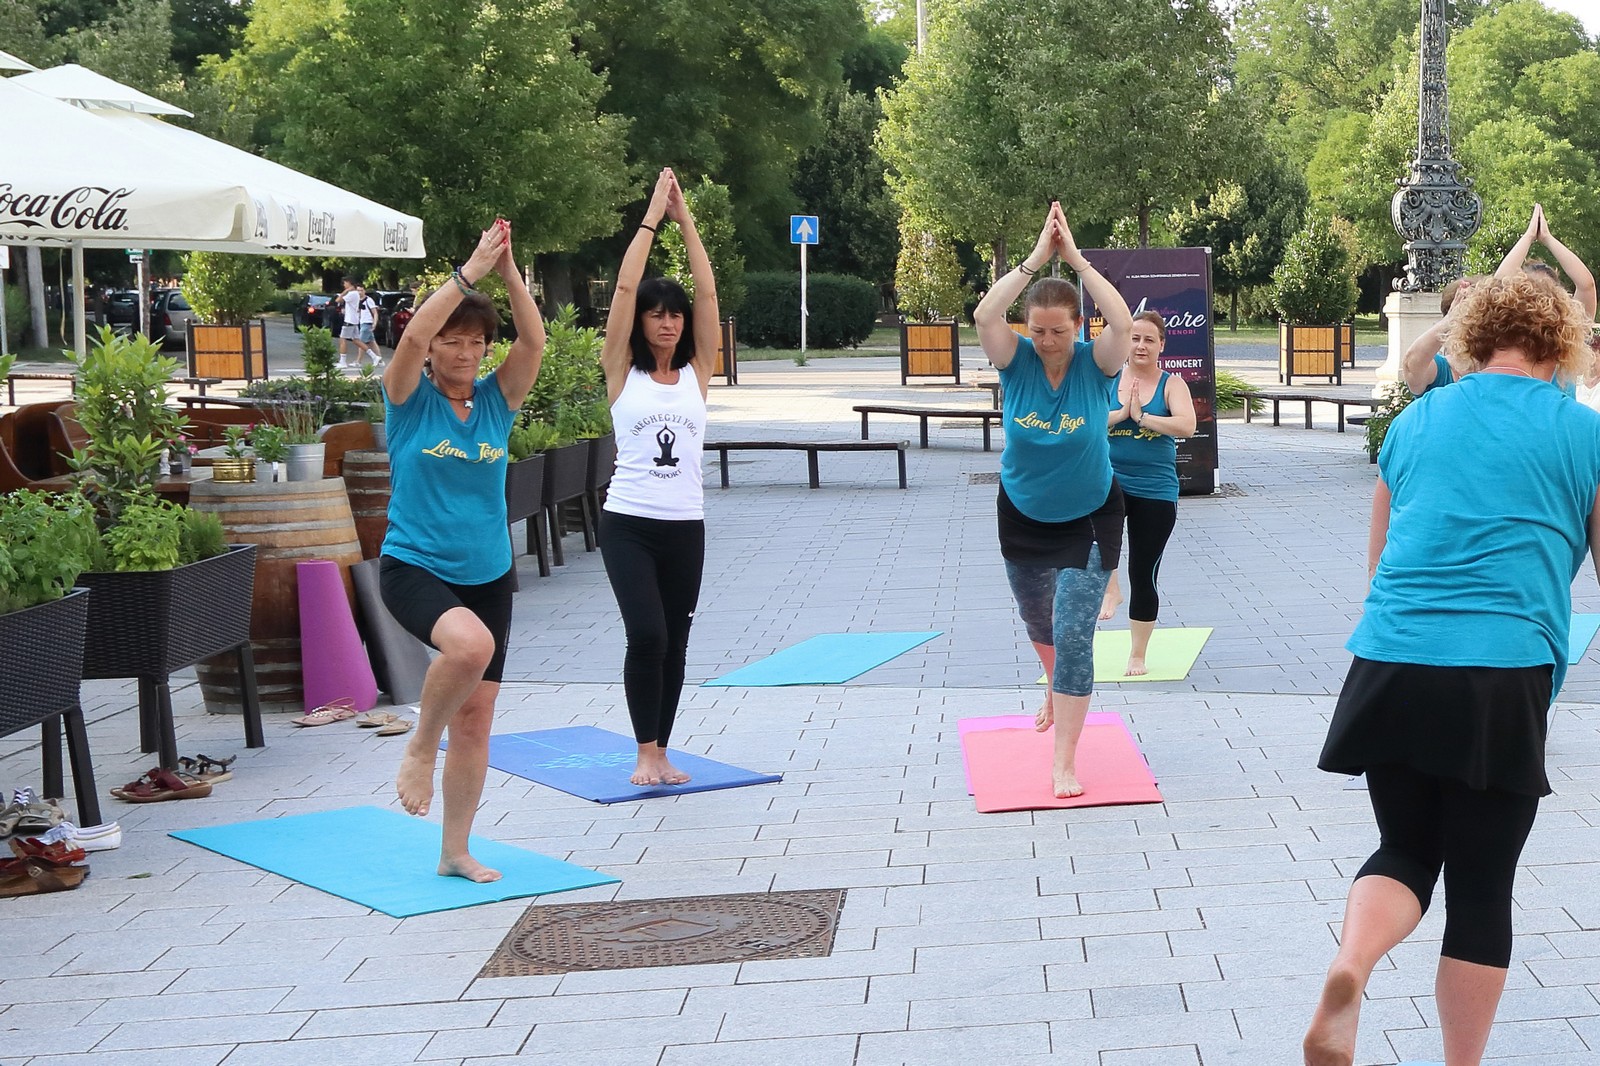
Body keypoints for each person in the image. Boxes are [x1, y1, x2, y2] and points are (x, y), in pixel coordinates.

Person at [1303, 272, 1600, 1066]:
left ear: (1473, 338)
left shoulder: (1418, 419)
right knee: (1479, 886)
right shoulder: (1582, 431)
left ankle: (1352, 964)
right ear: (1559, 343)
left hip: (1390, 661)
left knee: (1403, 847)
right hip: (1500, 672)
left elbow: (1378, 566)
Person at [379, 219, 545, 883]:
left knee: (476, 720)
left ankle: (455, 850)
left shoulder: (497, 402)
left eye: (477, 342)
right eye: (455, 341)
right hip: (414, 565)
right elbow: (413, 333)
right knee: (469, 649)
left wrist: (508, 271)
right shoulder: (407, 400)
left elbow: (534, 340)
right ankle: (420, 746)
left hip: (487, 574)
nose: (466, 352)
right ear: (433, 349)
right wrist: (471, 269)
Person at [971, 201, 1133, 798]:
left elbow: (1120, 323)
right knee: (1037, 619)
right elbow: (985, 314)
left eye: (1058, 331)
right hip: (1022, 512)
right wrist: (1037, 260)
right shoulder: (1015, 362)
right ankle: (1052, 682)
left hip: (1090, 516)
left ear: (1077, 328)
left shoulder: (1099, 364)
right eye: (1037, 330)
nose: (1046, 341)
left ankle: (1064, 759)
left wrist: (1079, 263)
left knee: (1073, 635)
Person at [599, 167, 719, 788]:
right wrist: (651, 218)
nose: (667, 323)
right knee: (646, 632)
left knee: (674, 642)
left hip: (685, 527)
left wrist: (687, 220)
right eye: (656, 315)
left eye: (675, 315)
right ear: (643, 323)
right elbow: (623, 290)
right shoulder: (623, 372)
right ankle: (644, 750)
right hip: (629, 525)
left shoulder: (700, 372)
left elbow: (707, 289)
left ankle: (662, 749)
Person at [1402, 204, 1596, 396]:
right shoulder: (1495, 349)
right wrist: (1528, 237)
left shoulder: (1561, 345)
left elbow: (1586, 285)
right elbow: (1499, 284)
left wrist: (1546, 238)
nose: (1538, 304)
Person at [1098, 310, 1197, 676]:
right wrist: (1121, 413)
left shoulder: (1172, 384)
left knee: (1144, 571)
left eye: (1149, 340)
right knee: (1094, 536)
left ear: (1161, 346)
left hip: (1155, 490)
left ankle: (1137, 654)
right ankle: (1111, 586)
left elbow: (1186, 425)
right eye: (1135, 338)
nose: (1141, 345)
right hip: (1109, 481)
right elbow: (1086, 419)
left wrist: (1143, 418)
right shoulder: (1107, 380)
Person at [336, 276, 364, 369]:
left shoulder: (352, 294)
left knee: (342, 339)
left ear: (349, 283)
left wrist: (346, 291)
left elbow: (338, 300)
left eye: (345, 283)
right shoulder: (355, 294)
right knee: (356, 340)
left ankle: (342, 361)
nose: (344, 285)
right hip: (353, 320)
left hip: (349, 320)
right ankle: (374, 356)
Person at [356, 283, 384, 368]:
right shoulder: (358, 301)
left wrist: (374, 323)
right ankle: (380, 361)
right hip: (362, 322)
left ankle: (358, 361)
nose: (359, 292)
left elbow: (375, 312)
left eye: (361, 290)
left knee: (361, 343)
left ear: (364, 291)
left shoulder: (369, 300)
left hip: (367, 323)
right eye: (358, 291)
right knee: (372, 343)